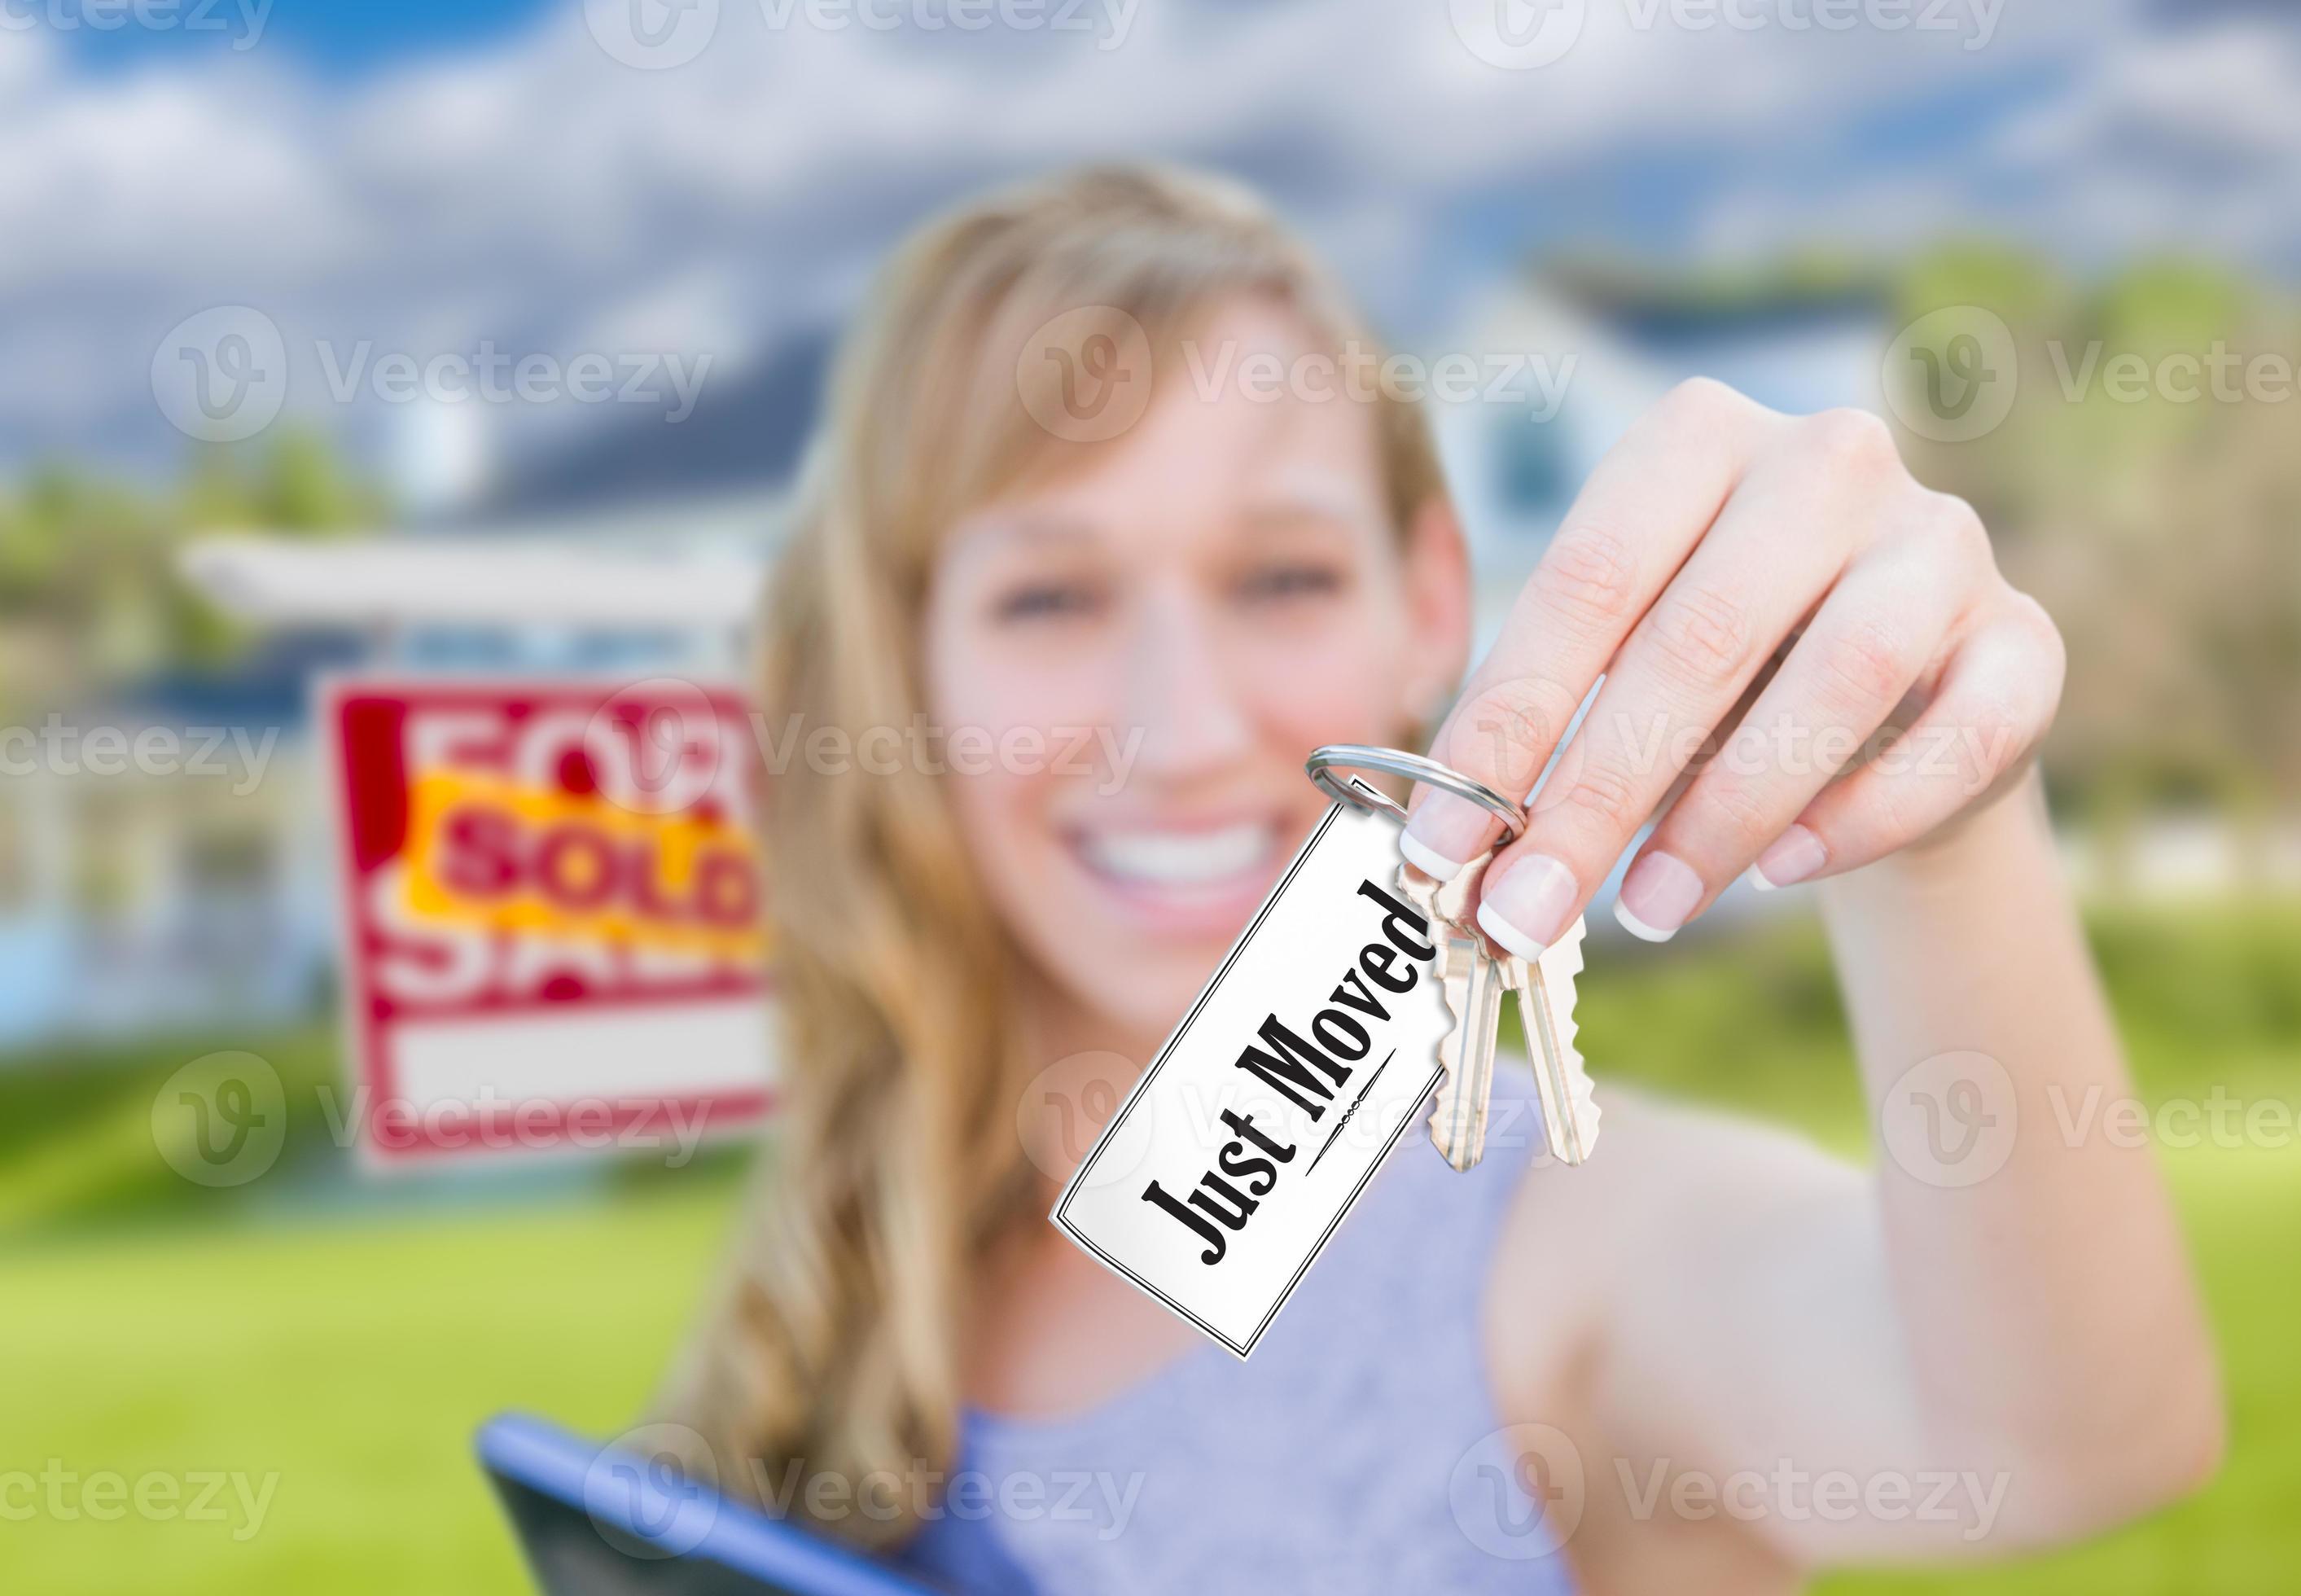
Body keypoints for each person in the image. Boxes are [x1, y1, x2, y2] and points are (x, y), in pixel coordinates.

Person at [655, 164, 2220, 1593]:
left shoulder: (1555, 1248)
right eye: (1051, 595)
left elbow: (2048, 1448)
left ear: (1427, 607)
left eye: (1280, 577)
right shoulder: (877, 1222)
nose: (1182, 726)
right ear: (904, 660)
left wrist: (1924, 810)